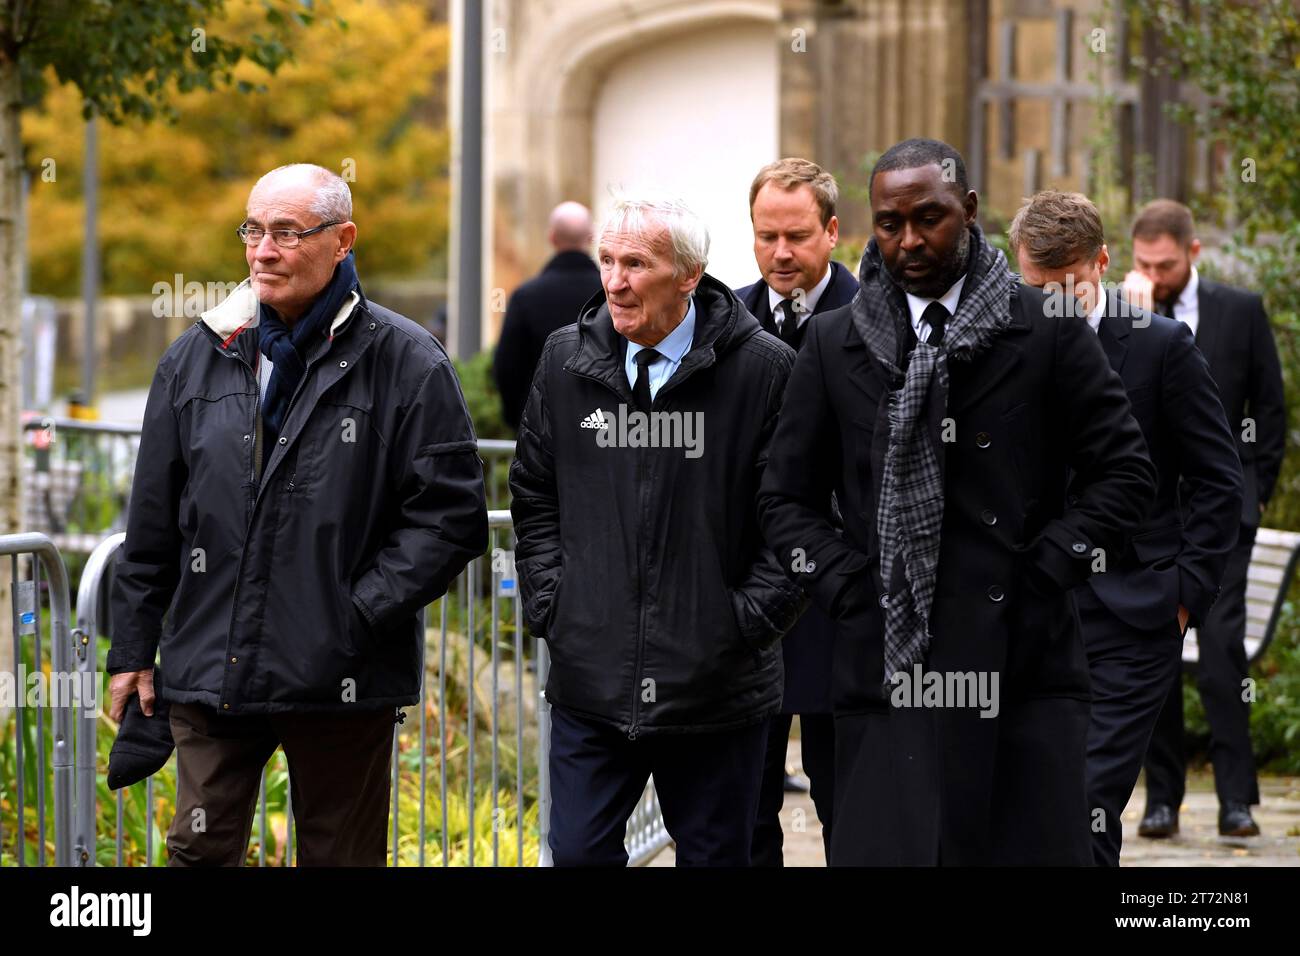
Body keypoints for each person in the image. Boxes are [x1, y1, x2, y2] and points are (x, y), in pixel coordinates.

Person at [758, 138, 1156, 865]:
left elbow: (1125, 473)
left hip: (1024, 665)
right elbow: (784, 500)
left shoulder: (1048, 327)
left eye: (929, 218)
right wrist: (850, 589)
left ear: (968, 212)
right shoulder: (832, 340)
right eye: (889, 223)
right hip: (886, 668)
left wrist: (1045, 572)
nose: (908, 239)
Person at [107, 163, 488, 866]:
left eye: (287, 232)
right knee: (196, 853)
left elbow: (451, 517)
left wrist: (355, 612)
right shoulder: (197, 355)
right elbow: (153, 522)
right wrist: (132, 650)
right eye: (253, 230)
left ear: (343, 240)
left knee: (339, 858)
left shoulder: (407, 361)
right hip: (211, 671)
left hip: (339, 676)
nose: (262, 251)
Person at [510, 191, 805, 866]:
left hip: (714, 689)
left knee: (714, 857)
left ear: (688, 276)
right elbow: (533, 490)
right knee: (579, 853)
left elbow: (799, 519)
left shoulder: (762, 371)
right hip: (592, 678)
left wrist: (742, 625)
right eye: (607, 260)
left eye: (636, 263)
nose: (614, 281)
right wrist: (556, 602)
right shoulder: (564, 360)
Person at [1011, 190, 1242, 865]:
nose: (1051, 305)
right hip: (1034, 610)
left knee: (1083, 799)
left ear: (1103, 263)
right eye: (1035, 289)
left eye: (1066, 288)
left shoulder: (1163, 348)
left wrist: (1184, 594)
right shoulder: (1005, 343)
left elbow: (1218, 476)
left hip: (1136, 616)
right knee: (1042, 811)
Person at [1128, 199, 1286, 839]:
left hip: (1224, 517)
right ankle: (1161, 800)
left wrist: (1254, 495)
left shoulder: (1239, 311)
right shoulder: (1122, 316)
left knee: (1222, 658)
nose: (1154, 275)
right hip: (1153, 517)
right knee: (1156, 653)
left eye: (1164, 264)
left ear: (1193, 253)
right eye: (1142, 263)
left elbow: (1270, 409)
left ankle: (1235, 800)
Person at [735, 158, 858, 865]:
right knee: (748, 798)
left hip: (840, 591)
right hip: (751, 593)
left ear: (832, 231)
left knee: (847, 794)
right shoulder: (725, 316)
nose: (781, 253)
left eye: (798, 236)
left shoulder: (876, 313)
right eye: (765, 235)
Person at [493, 201, 603, 431]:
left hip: (541, 425)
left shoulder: (525, 296)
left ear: (552, 238)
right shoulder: (610, 295)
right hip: (603, 423)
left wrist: (518, 420)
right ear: (592, 237)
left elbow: (507, 366)